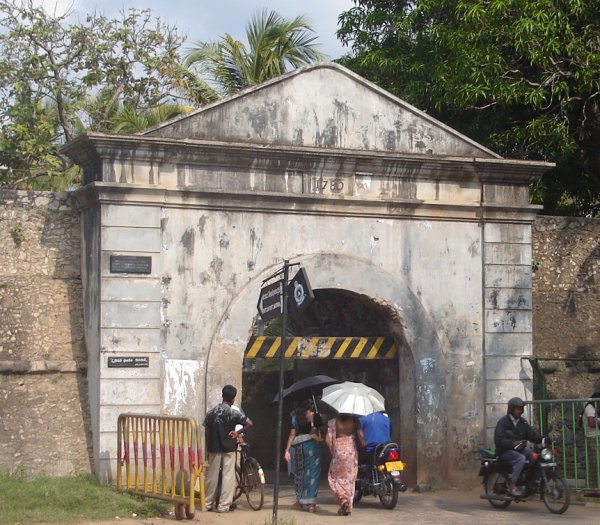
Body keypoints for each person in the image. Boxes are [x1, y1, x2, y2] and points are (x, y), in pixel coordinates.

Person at [203, 385, 253, 513]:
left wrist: (208, 449)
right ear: (233, 399)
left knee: (211, 477)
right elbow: (249, 423)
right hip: (229, 448)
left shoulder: (211, 412)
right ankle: (223, 506)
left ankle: (207, 504)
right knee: (228, 476)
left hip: (214, 448)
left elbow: (207, 432)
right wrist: (238, 433)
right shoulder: (233, 413)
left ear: (222, 396)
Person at [494, 396, 544, 497]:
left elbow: (532, 436)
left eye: (521, 409)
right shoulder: (503, 422)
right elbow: (498, 439)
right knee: (520, 459)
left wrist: (543, 439)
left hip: (520, 449)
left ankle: (532, 482)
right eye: (518, 409)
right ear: (511, 409)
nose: (520, 411)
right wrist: (512, 443)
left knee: (536, 456)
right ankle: (512, 484)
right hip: (505, 451)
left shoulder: (523, 422)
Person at [283, 399, 325, 513]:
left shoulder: (295, 416)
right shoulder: (316, 416)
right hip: (313, 448)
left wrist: (286, 450)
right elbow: (322, 430)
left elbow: (292, 433)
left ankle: (300, 501)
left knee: (300, 473)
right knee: (313, 474)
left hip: (299, 448)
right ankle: (311, 504)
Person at [325, 413, 365, 516]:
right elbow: (361, 437)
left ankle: (343, 500)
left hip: (338, 452)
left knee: (333, 477)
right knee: (349, 480)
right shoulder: (355, 421)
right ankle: (348, 507)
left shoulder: (333, 422)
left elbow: (328, 440)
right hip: (351, 452)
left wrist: (333, 451)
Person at [582, 391, 600, 488]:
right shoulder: (590, 408)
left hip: (595, 437)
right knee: (594, 463)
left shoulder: (593, 408)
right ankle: (593, 487)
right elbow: (591, 423)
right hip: (592, 438)